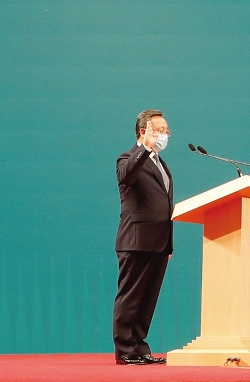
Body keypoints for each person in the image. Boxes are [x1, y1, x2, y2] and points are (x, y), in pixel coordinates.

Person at [113, 110, 174, 365]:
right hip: (136, 240)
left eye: (166, 131)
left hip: (159, 242)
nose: (164, 135)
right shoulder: (128, 157)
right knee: (131, 297)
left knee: (147, 301)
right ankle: (125, 350)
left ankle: (139, 347)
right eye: (159, 130)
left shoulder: (162, 164)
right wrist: (145, 149)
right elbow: (126, 175)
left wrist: (169, 245)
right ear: (143, 131)